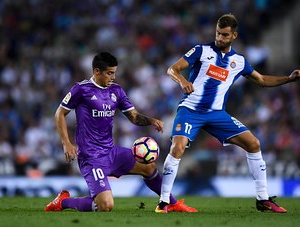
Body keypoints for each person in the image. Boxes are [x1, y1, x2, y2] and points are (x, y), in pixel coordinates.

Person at [155, 14, 300, 213]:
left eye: (225, 35)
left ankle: (263, 199)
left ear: (234, 35)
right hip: (191, 110)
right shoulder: (201, 51)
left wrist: (288, 79)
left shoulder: (239, 61)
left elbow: (261, 80)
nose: (219, 38)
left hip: (217, 114)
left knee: (253, 143)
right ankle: (164, 202)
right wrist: (183, 81)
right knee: (178, 147)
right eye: (218, 33)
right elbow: (172, 69)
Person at [45, 52, 197, 212]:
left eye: (114, 72)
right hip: (91, 158)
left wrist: (151, 121)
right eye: (109, 73)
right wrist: (67, 143)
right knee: (105, 206)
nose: (113, 77)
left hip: (111, 152)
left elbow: (134, 117)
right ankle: (63, 202)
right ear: (97, 71)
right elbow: (59, 113)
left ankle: (171, 203)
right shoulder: (81, 90)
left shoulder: (116, 91)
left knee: (149, 167)